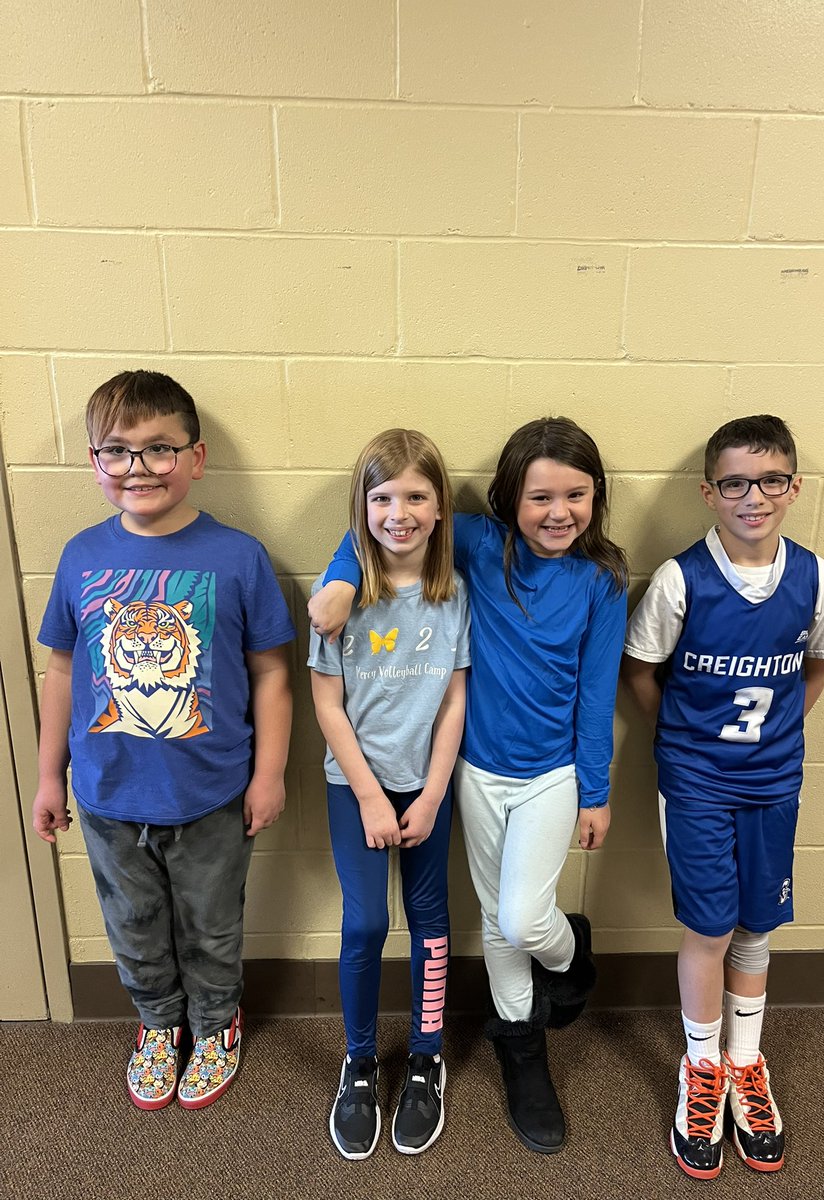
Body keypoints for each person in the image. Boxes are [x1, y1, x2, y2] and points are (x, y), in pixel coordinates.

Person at [309, 417, 628, 1154]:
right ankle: (522, 1049)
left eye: (575, 496)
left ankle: (567, 956)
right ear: (508, 500)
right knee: (491, 918)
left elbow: (596, 693)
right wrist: (339, 578)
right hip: (474, 772)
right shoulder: (480, 544)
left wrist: (597, 789)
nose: (557, 513)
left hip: (548, 773)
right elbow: (383, 521)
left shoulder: (602, 579)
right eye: (539, 496)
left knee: (520, 918)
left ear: (596, 497)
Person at [32, 370, 295, 1111]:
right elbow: (60, 672)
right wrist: (49, 776)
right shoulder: (82, 557)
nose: (137, 468)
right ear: (94, 462)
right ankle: (157, 1025)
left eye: (158, 449)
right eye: (116, 451)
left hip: (211, 791)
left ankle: (215, 1025)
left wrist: (268, 773)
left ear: (196, 457)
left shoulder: (238, 557)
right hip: (109, 792)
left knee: (213, 923)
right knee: (133, 926)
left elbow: (274, 673)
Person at [621, 415, 824, 1180]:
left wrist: (775, 735)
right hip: (695, 780)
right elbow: (643, 674)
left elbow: (816, 669)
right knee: (712, 926)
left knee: (759, 923)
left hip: (774, 777)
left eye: (770, 480)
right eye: (735, 483)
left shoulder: (817, 579)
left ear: (794, 487)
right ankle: (701, 1070)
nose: (753, 496)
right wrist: (693, 741)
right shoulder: (680, 579)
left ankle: (746, 1062)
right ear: (709, 491)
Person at [308, 429, 469, 1159]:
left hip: (427, 791)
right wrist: (372, 797)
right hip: (357, 789)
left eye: (415, 496)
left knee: (431, 923)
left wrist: (433, 792)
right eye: (381, 497)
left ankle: (428, 1056)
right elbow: (328, 705)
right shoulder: (339, 600)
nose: (398, 511)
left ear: (439, 510)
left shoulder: (454, 593)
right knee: (367, 923)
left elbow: (454, 701)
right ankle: (362, 1061)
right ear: (361, 506)